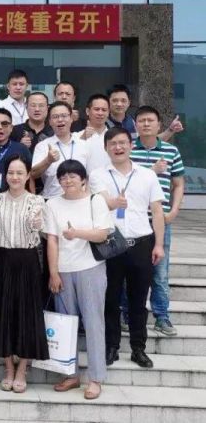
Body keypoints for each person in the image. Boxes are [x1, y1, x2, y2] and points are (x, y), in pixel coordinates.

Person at [89, 127, 166, 369]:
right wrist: (114, 203)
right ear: (106, 148)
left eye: (122, 142)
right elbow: (102, 201)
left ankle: (138, 348)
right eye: (112, 143)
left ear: (131, 146)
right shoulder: (98, 175)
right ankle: (111, 346)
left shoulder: (147, 175)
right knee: (110, 298)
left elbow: (157, 212)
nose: (118, 147)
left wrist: (159, 244)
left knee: (138, 300)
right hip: (111, 244)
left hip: (141, 243)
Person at [0, 156, 48, 393]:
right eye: (11, 172)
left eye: (20, 173)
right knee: (3, 314)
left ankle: (22, 369)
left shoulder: (38, 201)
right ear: (5, 175)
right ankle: (8, 368)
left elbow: (41, 232)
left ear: (28, 175)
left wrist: (38, 223)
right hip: (1, 260)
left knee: (28, 315)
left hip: (28, 261)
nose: (15, 177)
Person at [43, 159, 112, 400]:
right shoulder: (52, 204)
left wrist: (76, 233)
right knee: (66, 324)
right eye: (63, 177)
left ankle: (96, 378)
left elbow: (102, 234)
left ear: (83, 179)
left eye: (73, 176)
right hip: (63, 270)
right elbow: (52, 240)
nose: (67, 180)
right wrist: (53, 272)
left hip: (90, 268)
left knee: (93, 322)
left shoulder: (96, 201)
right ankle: (70, 375)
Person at [131, 106, 185, 336]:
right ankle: (126, 314)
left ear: (158, 124)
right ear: (135, 125)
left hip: (160, 221)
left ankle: (162, 317)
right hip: (133, 221)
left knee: (160, 272)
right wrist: (151, 170)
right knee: (130, 270)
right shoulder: (128, 149)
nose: (146, 124)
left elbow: (178, 184)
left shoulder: (171, 151)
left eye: (150, 120)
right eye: (141, 120)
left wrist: (174, 210)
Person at [32, 101, 90, 199]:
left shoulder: (84, 145)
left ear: (71, 118)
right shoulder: (42, 146)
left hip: (80, 200)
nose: (60, 120)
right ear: (50, 121)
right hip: (52, 199)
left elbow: (90, 175)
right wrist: (48, 160)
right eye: (55, 117)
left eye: (64, 116)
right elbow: (33, 174)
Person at [73, 94, 110, 174]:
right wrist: (83, 138)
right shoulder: (76, 136)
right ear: (87, 111)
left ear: (108, 112)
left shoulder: (114, 136)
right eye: (96, 109)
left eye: (104, 110)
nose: (100, 113)